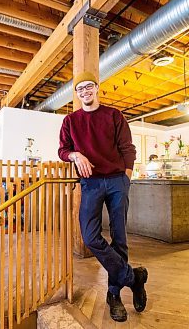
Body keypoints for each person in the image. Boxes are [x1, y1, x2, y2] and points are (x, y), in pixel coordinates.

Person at [58, 71, 148, 322]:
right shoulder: (70, 121)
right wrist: (76, 155)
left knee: (119, 238)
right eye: (80, 89)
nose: (85, 91)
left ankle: (114, 294)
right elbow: (63, 149)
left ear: (97, 88)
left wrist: (126, 178)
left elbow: (127, 148)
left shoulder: (113, 115)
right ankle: (133, 277)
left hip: (117, 181)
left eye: (89, 87)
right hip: (91, 184)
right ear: (76, 94)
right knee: (90, 235)